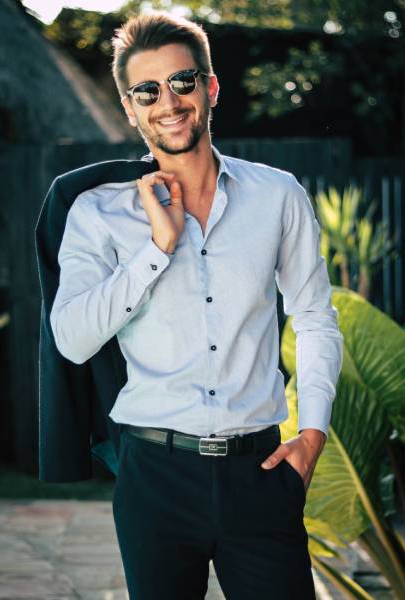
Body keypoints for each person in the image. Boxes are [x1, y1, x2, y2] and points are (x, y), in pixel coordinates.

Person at [49, 10, 343, 600]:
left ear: (209, 88)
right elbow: (72, 339)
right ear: (130, 108)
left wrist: (311, 434)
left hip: (260, 474)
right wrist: (157, 248)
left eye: (182, 81)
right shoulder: (97, 213)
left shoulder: (278, 195)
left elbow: (314, 317)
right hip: (154, 476)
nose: (168, 102)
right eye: (147, 90)